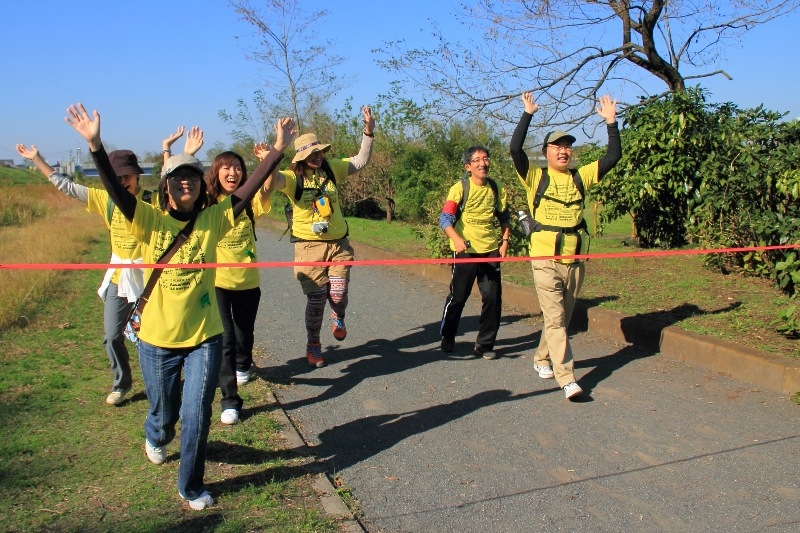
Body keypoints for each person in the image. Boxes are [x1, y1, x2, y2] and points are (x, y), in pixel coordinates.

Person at [65, 101, 292, 510]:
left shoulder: (214, 220)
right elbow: (116, 191)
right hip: (155, 338)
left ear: (198, 185)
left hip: (204, 336)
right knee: (165, 412)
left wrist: (277, 148)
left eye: (191, 176)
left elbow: (248, 188)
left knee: (196, 413)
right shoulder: (146, 219)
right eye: (176, 177)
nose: (184, 182)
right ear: (165, 186)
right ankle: (155, 433)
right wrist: (96, 146)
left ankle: (190, 484)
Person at [13, 143, 174, 406]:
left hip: (149, 279)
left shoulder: (152, 200)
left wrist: (168, 150)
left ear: (137, 175)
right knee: (112, 336)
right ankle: (121, 383)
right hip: (118, 278)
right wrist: (37, 159)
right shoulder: (105, 200)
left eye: (127, 176)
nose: (123, 182)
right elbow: (66, 186)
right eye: (117, 177)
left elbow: (171, 183)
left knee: (148, 338)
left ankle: (158, 384)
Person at [510, 92, 620, 399]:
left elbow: (612, 157)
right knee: (557, 319)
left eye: (567, 146)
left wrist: (611, 123)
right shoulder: (535, 176)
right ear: (546, 151)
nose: (564, 151)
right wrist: (527, 114)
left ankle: (541, 358)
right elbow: (515, 149)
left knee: (560, 318)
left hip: (574, 258)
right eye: (557, 146)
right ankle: (567, 378)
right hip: (544, 258)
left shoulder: (581, 177)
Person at [172, 128, 273, 425]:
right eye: (227, 167)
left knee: (245, 334)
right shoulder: (206, 206)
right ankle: (230, 400)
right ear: (216, 173)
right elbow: (181, 188)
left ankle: (244, 363)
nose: (234, 172)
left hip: (248, 282)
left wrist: (270, 159)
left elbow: (266, 189)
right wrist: (188, 154)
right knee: (225, 338)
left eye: (238, 167)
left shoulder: (249, 202)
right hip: (215, 283)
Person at [270, 106, 375, 368]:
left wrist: (369, 132)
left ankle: (338, 316)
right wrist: (274, 151)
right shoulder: (292, 178)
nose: (317, 156)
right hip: (308, 248)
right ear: (301, 157)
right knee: (317, 299)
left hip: (338, 244)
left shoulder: (331, 169)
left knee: (338, 295)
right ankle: (314, 344)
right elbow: (271, 181)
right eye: (311, 153)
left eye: (319, 152)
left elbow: (360, 160)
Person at [438, 146, 510, 359]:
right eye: (477, 160)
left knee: (492, 298)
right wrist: (457, 239)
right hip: (466, 251)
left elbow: (504, 217)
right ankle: (448, 335)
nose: (483, 163)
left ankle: (485, 344)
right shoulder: (460, 188)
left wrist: (504, 241)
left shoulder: (497, 188)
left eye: (486, 159)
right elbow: (445, 219)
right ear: (468, 167)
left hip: (490, 251)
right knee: (458, 297)